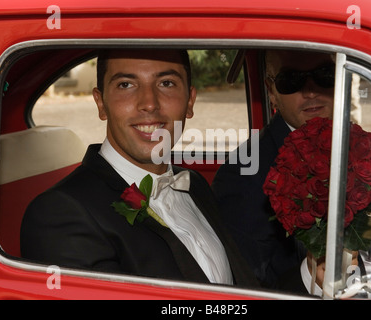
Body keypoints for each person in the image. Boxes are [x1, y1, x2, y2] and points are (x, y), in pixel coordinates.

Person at [20, 49, 259, 288]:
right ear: (101, 103)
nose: (149, 103)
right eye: (126, 85)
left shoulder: (194, 183)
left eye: (166, 83)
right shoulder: (60, 214)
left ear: (189, 101)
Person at [211, 49, 336, 291]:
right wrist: (313, 276)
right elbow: (249, 285)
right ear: (272, 92)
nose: (310, 91)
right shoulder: (244, 176)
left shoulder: (349, 146)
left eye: (324, 75)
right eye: (291, 80)